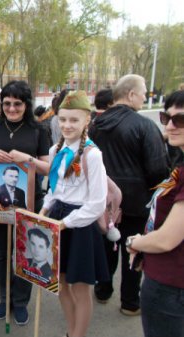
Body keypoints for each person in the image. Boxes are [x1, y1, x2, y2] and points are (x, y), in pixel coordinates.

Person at [89, 74, 169, 315]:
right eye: (144, 92)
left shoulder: (96, 125)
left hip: (104, 201)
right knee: (133, 251)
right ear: (131, 94)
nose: (146, 97)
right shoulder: (145, 126)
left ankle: (103, 290)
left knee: (107, 246)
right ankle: (130, 302)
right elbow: (158, 169)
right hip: (137, 201)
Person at [0, 80, 50, 326]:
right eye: (6, 103)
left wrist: (26, 158)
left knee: (25, 253)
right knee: (1, 254)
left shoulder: (39, 130)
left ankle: (20, 302)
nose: (11, 108)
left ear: (26, 105)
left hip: (29, 202)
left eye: (17, 104)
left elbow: (48, 167)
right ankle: (4, 298)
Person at [40, 90, 109, 337]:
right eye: (63, 119)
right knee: (60, 285)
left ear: (86, 120)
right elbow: (53, 191)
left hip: (79, 224)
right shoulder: (54, 150)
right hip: (58, 218)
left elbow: (96, 204)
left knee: (80, 289)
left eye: (74, 120)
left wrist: (65, 224)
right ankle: (71, 331)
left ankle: (78, 335)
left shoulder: (93, 155)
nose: (67, 125)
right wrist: (43, 212)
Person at [126, 90, 184, 337]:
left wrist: (135, 242)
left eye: (179, 120)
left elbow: (167, 239)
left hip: (171, 287)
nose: (170, 126)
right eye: (166, 117)